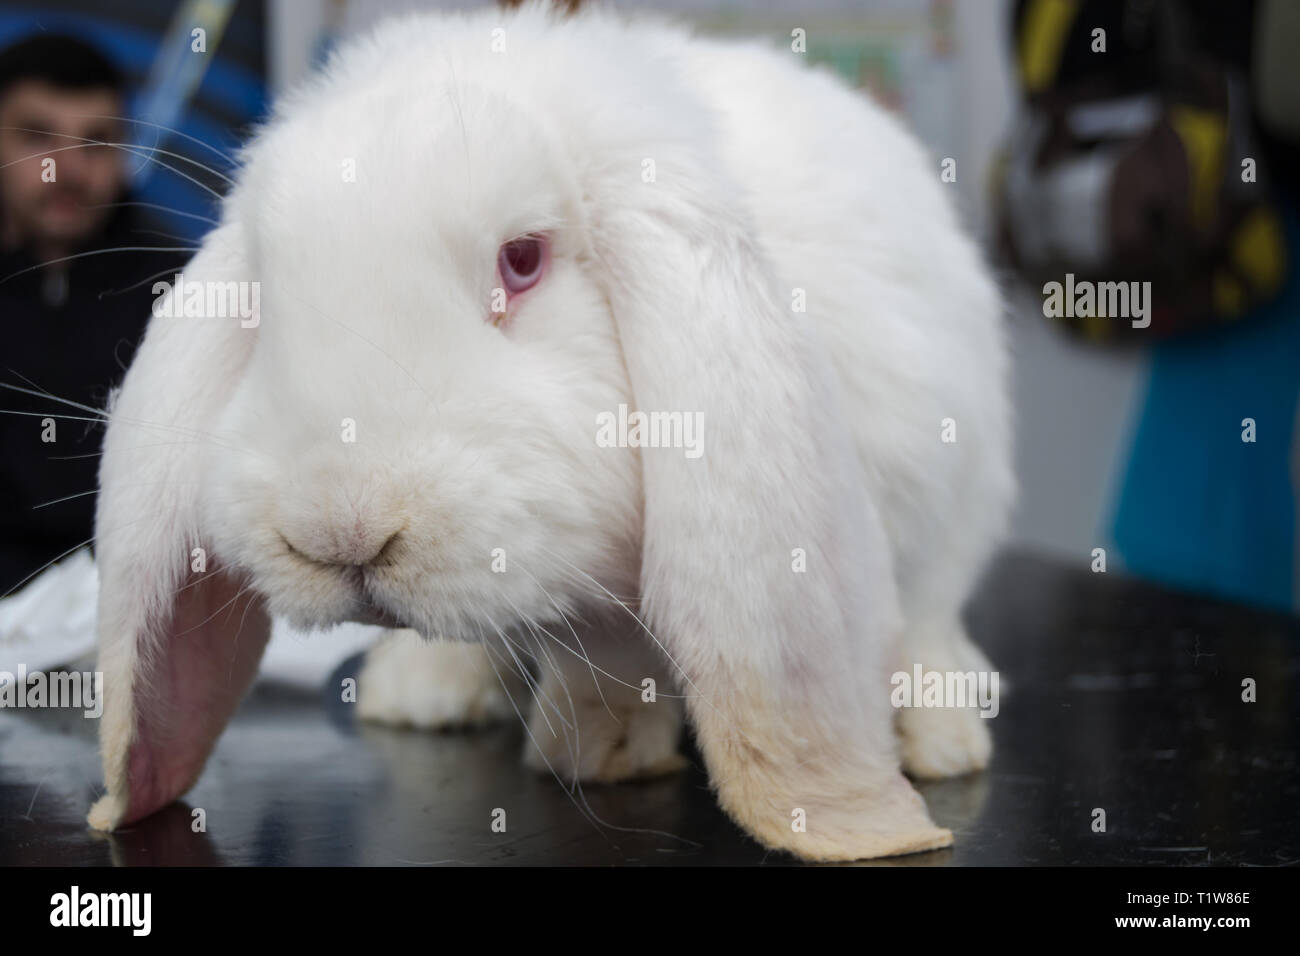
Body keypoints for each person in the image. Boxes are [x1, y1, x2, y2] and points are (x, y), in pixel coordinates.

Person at [0, 34, 187, 595]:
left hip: (133, 611)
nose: (69, 170)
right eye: (38, 137)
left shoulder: (182, 291)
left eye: (97, 143)